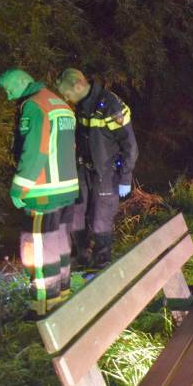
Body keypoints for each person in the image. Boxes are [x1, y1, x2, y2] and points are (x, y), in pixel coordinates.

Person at [0, 69, 79, 317]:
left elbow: (35, 150)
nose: (9, 95)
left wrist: (19, 186)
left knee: (36, 247)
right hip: (66, 188)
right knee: (58, 240)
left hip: (43, 190)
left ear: (24, 81)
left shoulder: (34, 106)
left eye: (10, 88)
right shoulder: (59, 104)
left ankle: (43, 305)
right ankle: (63, 293)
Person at [55, 68, 138, 269]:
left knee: (101, 219)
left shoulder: (111, 106)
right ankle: (81, 258)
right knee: (76, 213)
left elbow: (130, 147)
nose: (66, 98)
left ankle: (102, 263)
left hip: (107, 173)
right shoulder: (82, 106)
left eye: (67, 94)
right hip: (83, 170)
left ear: (78, 86)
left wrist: (126, 177)